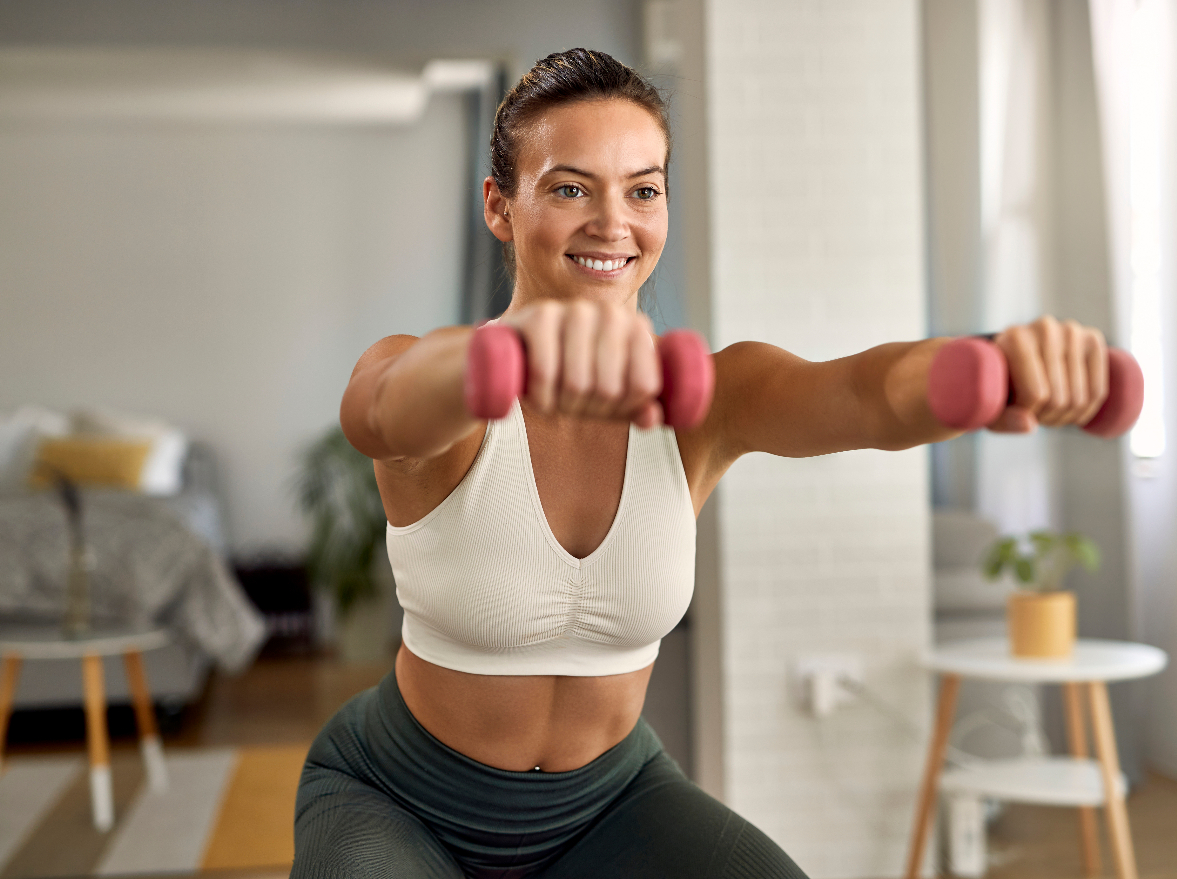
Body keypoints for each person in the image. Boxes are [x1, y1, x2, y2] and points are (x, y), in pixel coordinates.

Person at [291, 49, 1109, 879]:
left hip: (607, 802)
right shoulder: (439, 381)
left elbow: (868, 394)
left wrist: (994, 365)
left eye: (643, 189)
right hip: (399, 795)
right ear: (500, 206)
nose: (613, 223)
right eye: (571, 187)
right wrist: (508, 361)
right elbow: (380, 408)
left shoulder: (706, 402)